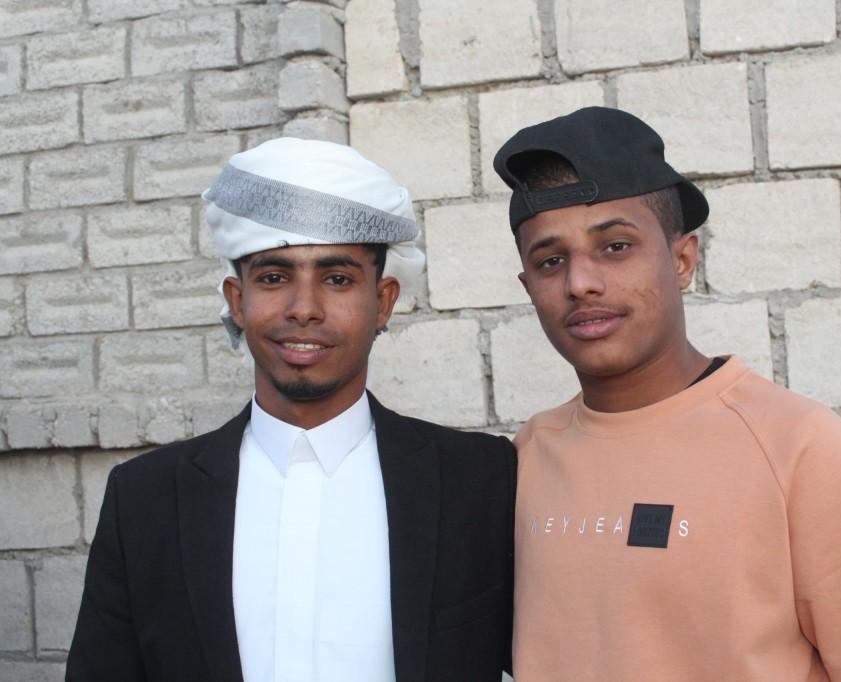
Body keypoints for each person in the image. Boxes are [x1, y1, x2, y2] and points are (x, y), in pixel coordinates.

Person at [492, 107, 841, 681]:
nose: (580, 282)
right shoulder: (528, 455)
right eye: (551, 261)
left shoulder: (797, 445)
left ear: (682, 260)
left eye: (616, 247)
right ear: (529, 286)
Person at [67, 138, 515, 682]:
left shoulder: (480, 481)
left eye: (337, 279)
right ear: (237, 300)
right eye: (275, 278)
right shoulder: (145, 499)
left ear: (383, 302)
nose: (304, 309)